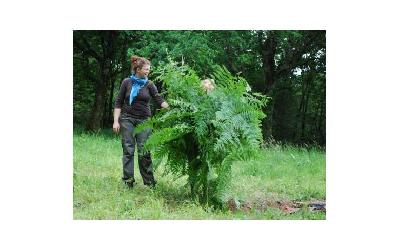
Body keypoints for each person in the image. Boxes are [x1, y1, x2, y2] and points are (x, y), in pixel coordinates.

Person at [113, 55, 169, 188]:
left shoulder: (149, 84)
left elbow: (158, 99)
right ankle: (128, 181)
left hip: (144, 121)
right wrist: (116, 121)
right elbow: (119, 102)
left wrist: (170, 108)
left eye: (149, 69)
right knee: (128, 149)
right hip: (127, 119)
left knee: (144, 151)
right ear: (138, 69)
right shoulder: (127, 82)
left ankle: (149, 182)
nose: (148, 71)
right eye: (146, 69)